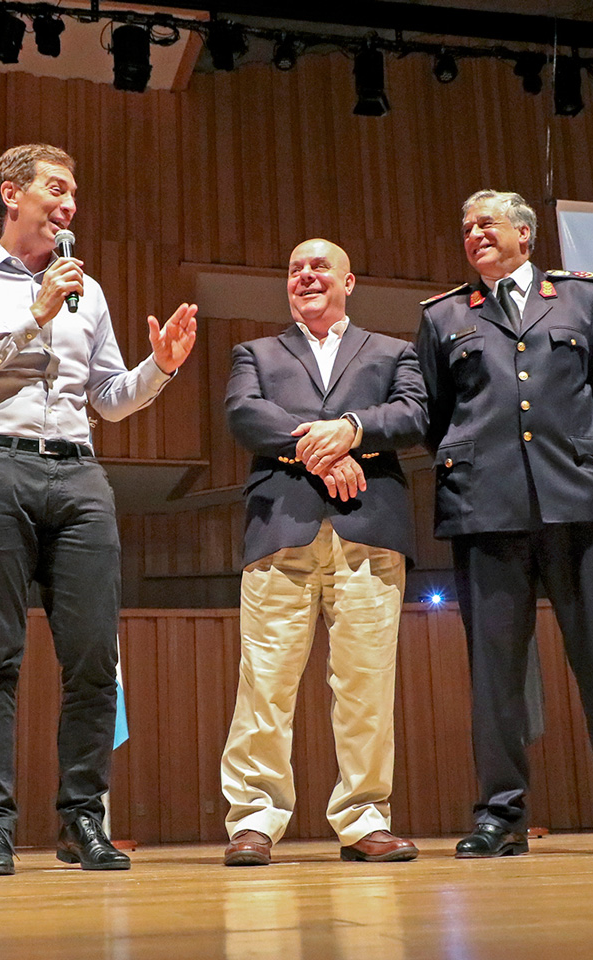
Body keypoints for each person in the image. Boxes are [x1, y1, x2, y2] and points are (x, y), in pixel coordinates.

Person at [0, 143, 197, 876]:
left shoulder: (90, 291)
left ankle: (82, 819)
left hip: (78, 474)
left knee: (92, 661)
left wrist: (159, 370)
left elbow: (108, 399)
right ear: (11, 194)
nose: (69, 204)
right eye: (55, 189)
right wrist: (31, 320)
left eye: (74, 193)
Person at [416, 190, 593, 857]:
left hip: (579, 507)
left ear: (525, 236)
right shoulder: (445, 315)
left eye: (488, 224)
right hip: (486, 511)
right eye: (466, 226)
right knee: (495, 676)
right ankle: (499, 817)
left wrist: (579, 464)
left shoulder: (583, 298)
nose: (474, 234)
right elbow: (437, 416)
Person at [219, 239, 427, 867]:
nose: (305, 276)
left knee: (366, 686)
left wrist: (353, 432)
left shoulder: (396, 351)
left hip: (370, 530)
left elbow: (414, 413)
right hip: (281, 527)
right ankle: (253, 820)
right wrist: (325, 447)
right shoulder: (253, 352)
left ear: (349, 281)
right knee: (265, 685)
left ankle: (365, 819)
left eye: (318, 267)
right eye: (294, 269)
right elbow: (244, 415)